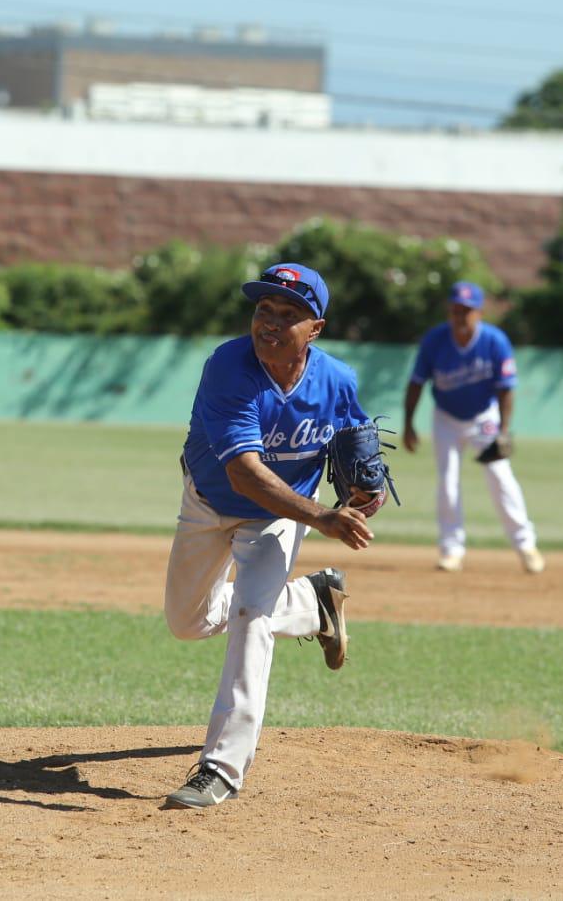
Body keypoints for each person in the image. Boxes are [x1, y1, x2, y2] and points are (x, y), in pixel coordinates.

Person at [162, 262, 377, 810]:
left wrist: (361, 494)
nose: (271, 323)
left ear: (316, 329)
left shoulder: (337, 379)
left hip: (277, 518)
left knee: (251, 619)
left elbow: (354, 447)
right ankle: (313, 599)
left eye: (289, 314)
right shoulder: (229, 367)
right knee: (188, 623)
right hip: (211, 501)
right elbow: (243, 473)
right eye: (264, 310)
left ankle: (222, 768)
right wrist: (324, 519)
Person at [402, 281, 543, 575]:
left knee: (500, 477)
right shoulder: (435, 340)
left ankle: (525, 545)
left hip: (483, 419)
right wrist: (408, 425)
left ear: (478, 312)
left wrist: (503, 430)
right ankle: (452, 551)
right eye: (455, 309)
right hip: (446, 419)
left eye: (466, 310)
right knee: (448, 483)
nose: (460, 315)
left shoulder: (494, 341)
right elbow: (416, 383)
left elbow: (506, 389)